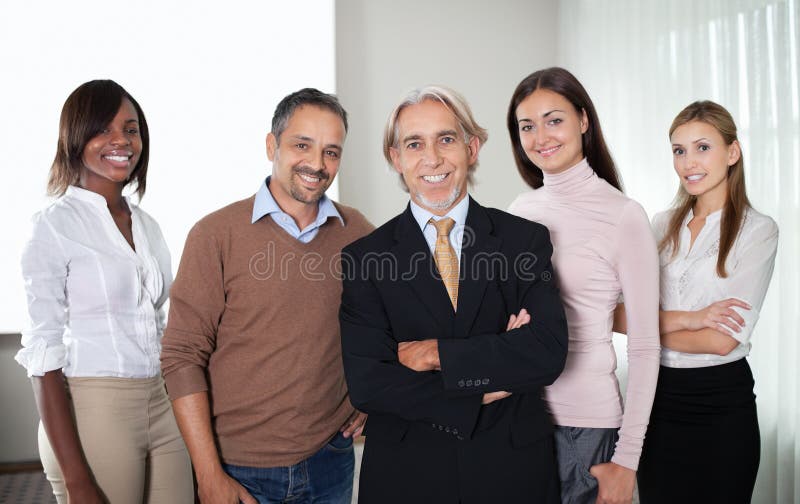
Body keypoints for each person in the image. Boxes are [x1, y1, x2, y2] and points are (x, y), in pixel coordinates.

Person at [340, 85, 568, 504]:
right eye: (414, 144)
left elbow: (546, 353)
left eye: (446, 139)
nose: (432, 158)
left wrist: (432, 355)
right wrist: (489, 378)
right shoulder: (365, 257)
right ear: (396, 158)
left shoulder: (524, 240)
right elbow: (369, 384)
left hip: (512, 469)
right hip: (408, 473)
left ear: (472, 147)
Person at [160, 88, 373, 504]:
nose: (316, 163)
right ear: (271, 145)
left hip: (331, 459)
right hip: (238, 469)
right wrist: (207, 474)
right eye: (302, 145)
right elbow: (182, 357)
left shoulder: (358, 232)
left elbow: (384, 324)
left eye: (332, 151)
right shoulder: (214, 235)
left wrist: (368, 393)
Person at [15, 80, 193, 503]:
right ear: (75, 138)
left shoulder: (147, 225)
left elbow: (157, 320)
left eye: (131, 130)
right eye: (104, 129)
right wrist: (77, 479)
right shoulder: (54, 225)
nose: (122, 141)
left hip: (161, 402)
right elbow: (44, 352)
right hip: (94, 408)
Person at [506, 67, 661, 504]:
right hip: (521, 415)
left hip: (588, 428)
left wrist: (627, 459)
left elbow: (646, 345)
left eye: (554, 119)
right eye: (526, 126)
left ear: (583, 120)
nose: (540, 137)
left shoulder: (623, 215)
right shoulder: (520, 209)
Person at [634, 101, 778, 503]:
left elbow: (721, 342)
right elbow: (618, 315)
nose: (688, 162)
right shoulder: (660, 225)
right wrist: (692, 319)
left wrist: (653, 326)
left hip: (721, 405)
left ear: (732, 153)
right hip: (657, 402)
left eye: (702, 147)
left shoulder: (758, 231)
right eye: (678, 150)